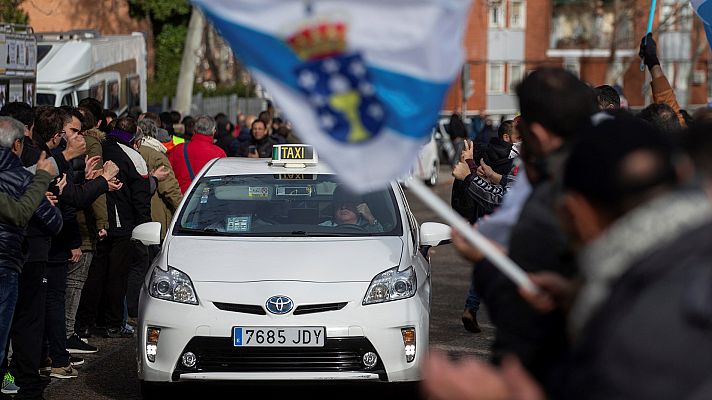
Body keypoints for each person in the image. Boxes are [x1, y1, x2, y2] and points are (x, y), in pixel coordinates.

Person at [167, 115, 227, 193]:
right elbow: (223, 183)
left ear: (194, 130)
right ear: (213, 131)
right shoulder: (220, 154)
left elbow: (167, 175)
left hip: (181, 199)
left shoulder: (177, 149)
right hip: (207, 198)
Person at [319, 187, 383, 233]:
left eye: (349, 202)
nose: (343, 207)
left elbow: (382, 241)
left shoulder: (370, 227)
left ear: (359, 204)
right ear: (334, 205)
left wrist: (371, 218)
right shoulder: (322, 228)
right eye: (339, 202)